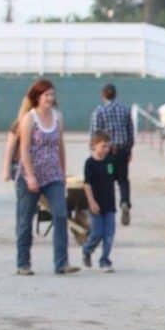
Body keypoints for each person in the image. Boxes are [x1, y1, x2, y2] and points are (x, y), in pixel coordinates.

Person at [17, 79, 79, 275]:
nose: (50, 99)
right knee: (25, 219)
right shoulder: (29, 118)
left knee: (60, 215)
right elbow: (24, 149)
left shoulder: (58, 118)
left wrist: (62, 172)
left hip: (53, 175)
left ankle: (61, 263)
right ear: (37, 97)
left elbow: (60, 146)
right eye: (46, 95)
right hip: (30, 175)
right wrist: (30, 176)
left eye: (52, 95)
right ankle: (23, 263)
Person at [90, 83, 134, 226]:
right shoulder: (125, 110)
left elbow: (96, 134)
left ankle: (108, 210)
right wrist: (129, 150)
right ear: (116, 94)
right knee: (123, 180)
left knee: (107, 180)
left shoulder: (99, 111)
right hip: (122, 152)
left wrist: (94, 151)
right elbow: (130, 132)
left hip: (106, 154)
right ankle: (125, 202)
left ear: (103, 95)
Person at [81, 131, 118, 272]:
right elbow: (87, 184)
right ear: (94, 146)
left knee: (109, 233)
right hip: (96, 204)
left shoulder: (110, 161)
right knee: (97, 233)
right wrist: (92, 202)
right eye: (103, 146)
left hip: (109, 204)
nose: (106, 150)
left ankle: (105, 260)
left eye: (108, 147)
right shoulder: (89, 163)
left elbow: (113, 176)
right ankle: (87, 249)